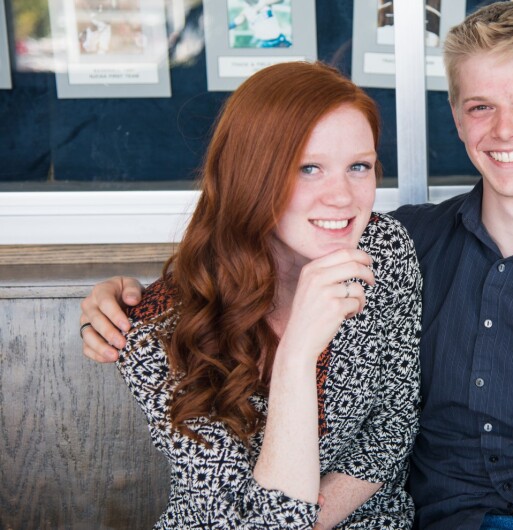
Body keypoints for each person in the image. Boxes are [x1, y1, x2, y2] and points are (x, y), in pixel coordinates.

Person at [79, 2, 513, 529]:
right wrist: (123, 298)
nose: (505, 128)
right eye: (480, 106)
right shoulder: (401, 242)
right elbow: (240, 263)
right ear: (456, 118)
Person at [79, 61, 422, 529]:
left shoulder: (383, 252)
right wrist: (297, 354)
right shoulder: (155, 332)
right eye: (308, 168)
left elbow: (389, 431)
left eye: (358, 166)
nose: (342, 197)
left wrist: (311, 521)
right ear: (250, 176)